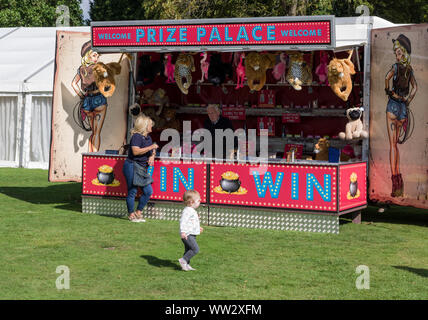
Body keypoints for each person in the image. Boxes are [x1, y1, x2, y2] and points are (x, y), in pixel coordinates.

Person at [384, 34, 417, 197]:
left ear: (402, 53)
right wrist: (408, 100)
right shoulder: (409, 70)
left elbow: (386, 78)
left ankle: (395, 183)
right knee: (396, 144)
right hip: (403, 108)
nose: (397, 55)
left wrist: (388, 91)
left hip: (392, 106)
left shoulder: (396, 67)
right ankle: (399, 183)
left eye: (398, 52)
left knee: (392, 146)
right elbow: (415, 88)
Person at [71, 40, 107, 152]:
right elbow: (106, 81)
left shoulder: (81, 69)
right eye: (94, 55)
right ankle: (94, 156)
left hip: (87, 101)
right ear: (88, 56)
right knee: (97, 133)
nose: (96, 58)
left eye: (97, 55)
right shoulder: (100, 68)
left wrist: (81, 96)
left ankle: (91, 154)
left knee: (93, 132)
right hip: (98, 100)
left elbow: (73, 84)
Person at [122, 115, 158, 222]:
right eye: (150, 124)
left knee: (148, 191)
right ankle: (131, 214)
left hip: (142, 168)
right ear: (144, 126)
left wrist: (152, 155)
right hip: (132, 166)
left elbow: (152, 150)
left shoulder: (148, 138)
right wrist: (151, 147)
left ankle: (138, 212)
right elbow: (135, 151)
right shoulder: (136, 137)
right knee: (132, 191)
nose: (152, 126)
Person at [178, 190, 203, 271]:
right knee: (195, 249)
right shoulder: (187, 211)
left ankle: (187, 265)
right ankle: (183, 260)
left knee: (188, 249)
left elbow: (192, 222)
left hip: (191, 234)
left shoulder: (192, 210)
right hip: (187, 234)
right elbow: (183, 221)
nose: (200, 201)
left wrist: (198, 228)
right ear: (192, 202)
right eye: (198, 200)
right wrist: (183, 232)